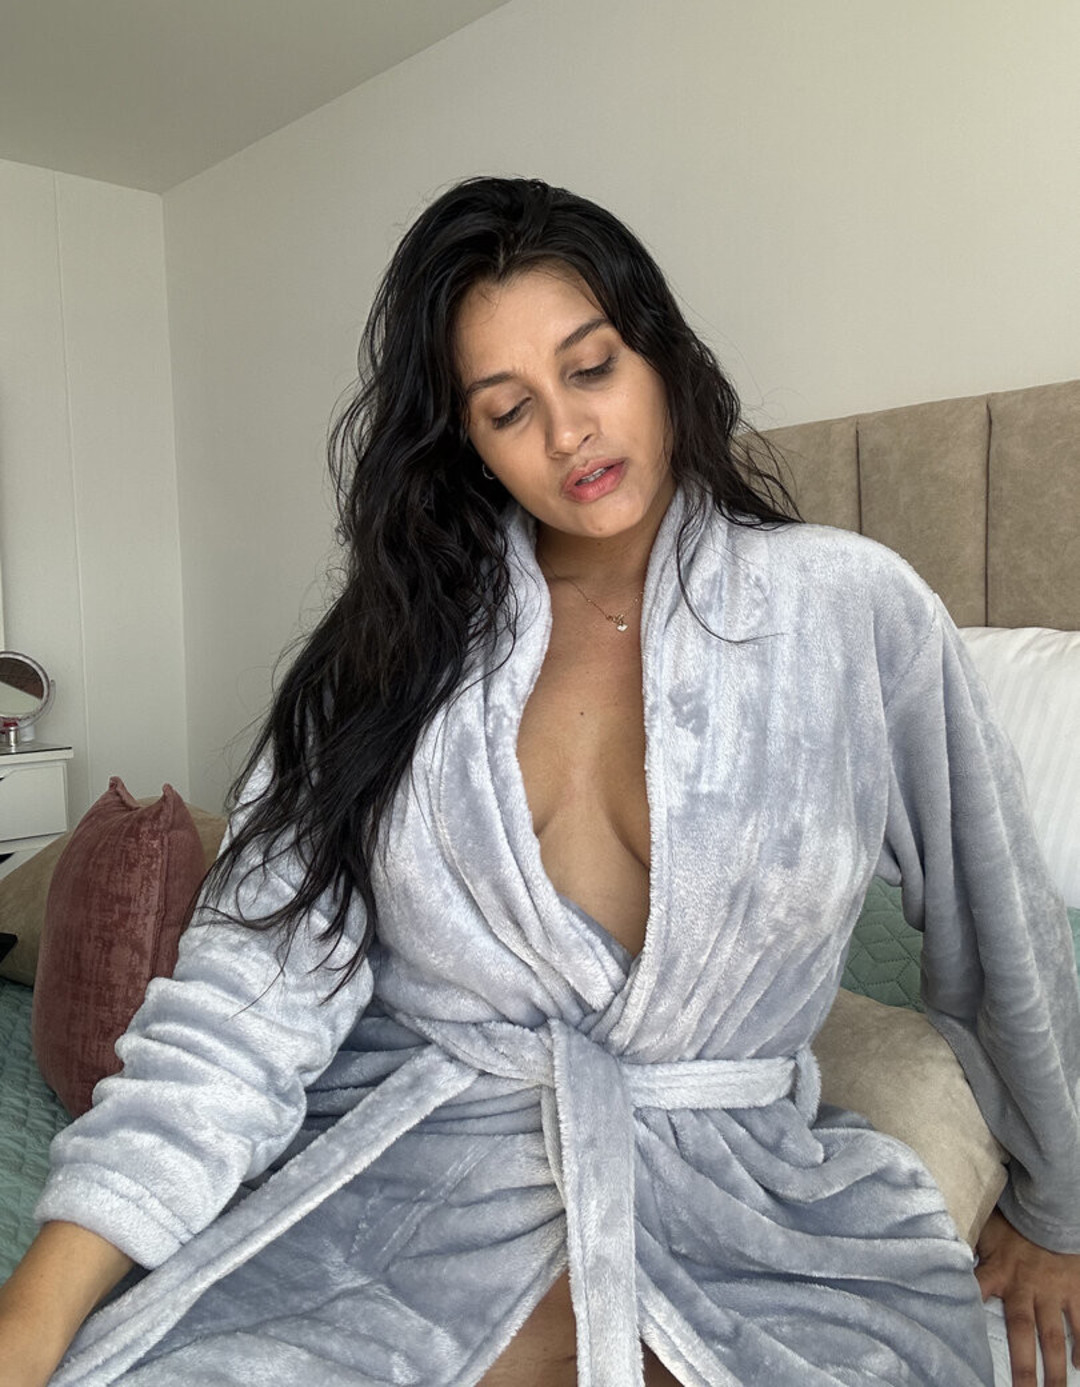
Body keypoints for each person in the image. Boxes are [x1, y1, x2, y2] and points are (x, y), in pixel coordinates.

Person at [1, 176, 1079, 1387]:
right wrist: (32, 1313)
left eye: (592, 367)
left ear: (660, 355)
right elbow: (246, 995)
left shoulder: (852, 613)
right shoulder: (391, 655)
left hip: (745, 1213)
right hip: (414, 1196)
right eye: (508, 408)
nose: (568, 434)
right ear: (464, 441)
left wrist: (1060, 1208)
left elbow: (1003, 927)